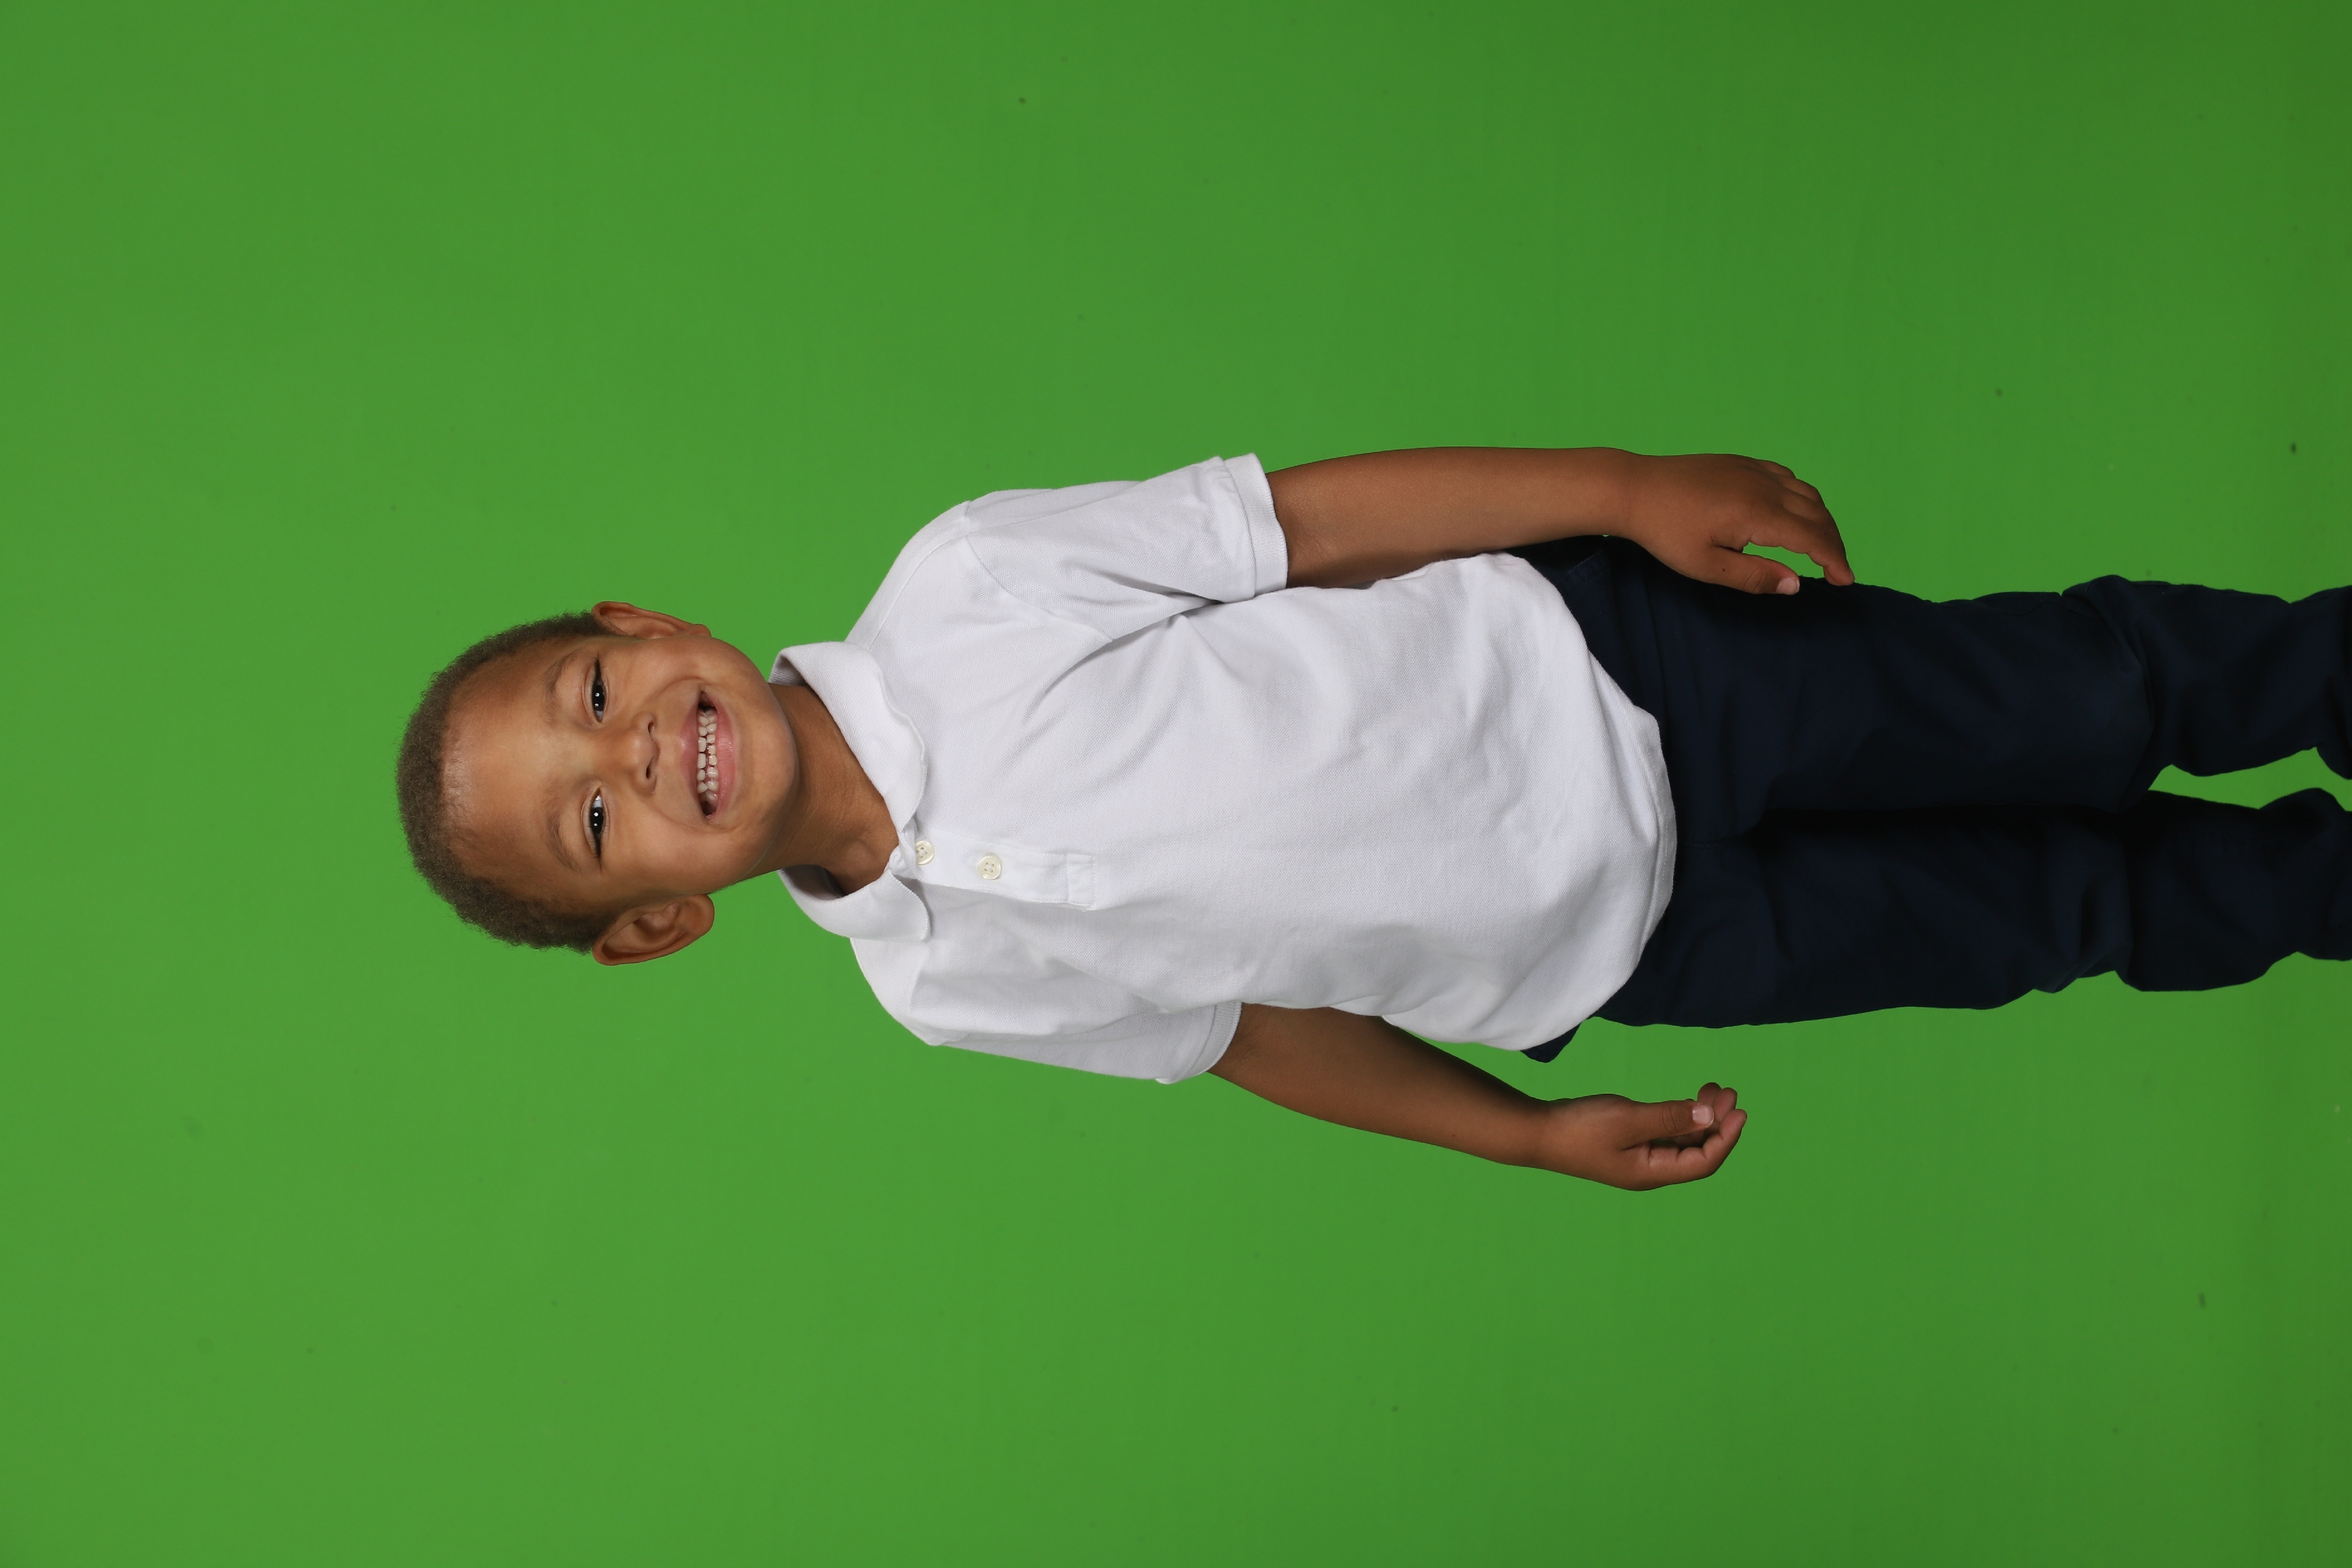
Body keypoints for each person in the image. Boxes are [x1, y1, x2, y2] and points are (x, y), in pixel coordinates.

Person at [394, 449, 2352, 1190]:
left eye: (594, 702)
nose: (634, 759)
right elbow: (1252, 1032)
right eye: (594, 829)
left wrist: (1622, 489)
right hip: (1629, 950)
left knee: (2090, 697)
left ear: (639, 625)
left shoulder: (967, 586)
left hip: (1632, 673)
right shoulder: (938, 984)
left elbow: (1308, 525)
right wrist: (1524, 1133)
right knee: (2053, 916)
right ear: (654, 924)